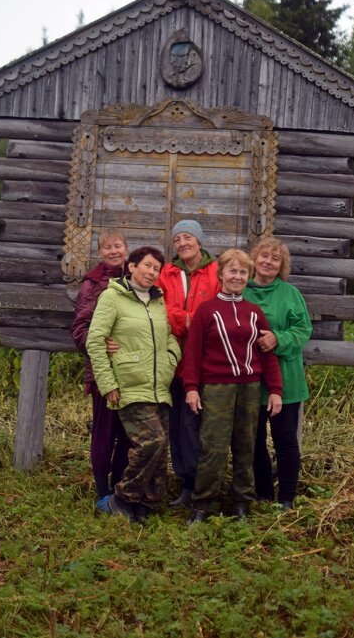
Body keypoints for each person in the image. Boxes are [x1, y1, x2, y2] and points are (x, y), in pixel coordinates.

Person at [182, 249, 283, 523]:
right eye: (232, 271)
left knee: (246, 446)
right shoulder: (207, 310)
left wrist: (275, 390)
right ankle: (201, 506)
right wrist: (191, 387)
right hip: (216, 388)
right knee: (213, 447)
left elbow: (266, 353)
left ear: (248, 276)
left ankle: (241, 504)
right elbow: (192, 353)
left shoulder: (254, 312)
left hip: (250, 387)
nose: (237, 276)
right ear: (221, 274)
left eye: (242, 272)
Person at [85, 246, 181, 523]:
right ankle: (122, 498)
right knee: (152, 441)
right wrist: (108, 383)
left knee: (160, 451)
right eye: (147, 266)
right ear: (131, 266)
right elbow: (95, 340)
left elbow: (170, 338)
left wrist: (170, 360)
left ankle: (145, 506)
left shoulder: (158, 301)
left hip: (158, 386)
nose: (152, 272)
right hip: (129, 385)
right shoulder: (111, 297)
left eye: (156, 269)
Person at [243, 237, 313, 510]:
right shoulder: (242, 291)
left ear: (281, 266)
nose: (268, 262)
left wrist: (278, 339)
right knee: (254, 440)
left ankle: (286, 497)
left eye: (275, 259)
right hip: (251, 382)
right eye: (264, 256)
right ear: (254, 259)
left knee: (285, 440)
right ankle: (262, 494)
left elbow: (303, 330)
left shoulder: (290, 294)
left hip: (286, 381)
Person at [158, 219, 220, 507]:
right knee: (178, 425)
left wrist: (199, 323)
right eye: (178, 238)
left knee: (198, 425)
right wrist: (187, 321)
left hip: (207, 363)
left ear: (200, 240)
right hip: (174, 363)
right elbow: (160, 307)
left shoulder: (216, 271)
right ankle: (186, 483)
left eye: (188, 237)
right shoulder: (166, 273)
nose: (183, 243)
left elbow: (220, 307)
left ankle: (204, 485)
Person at [70, 230, 132, 506]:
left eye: (117, 245)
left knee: (127, 432)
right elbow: (80, 328)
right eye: (107, 248)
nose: (113, 251)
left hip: (131, 371)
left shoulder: (136, 279)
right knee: (104, 432)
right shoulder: (92, 284)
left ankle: (119, 484)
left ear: (126, 249)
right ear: (100, 253)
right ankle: (101, 489)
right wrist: (98, 347)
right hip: (102, 371)